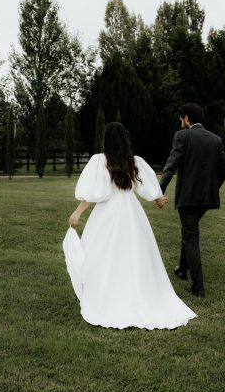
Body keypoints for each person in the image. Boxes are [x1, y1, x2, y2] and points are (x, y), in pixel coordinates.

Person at [64, 122, 197, 330]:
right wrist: (158, 198)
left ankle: (107, 293)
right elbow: (146, 186)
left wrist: (77, 212)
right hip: (131, 212)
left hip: (107, 213)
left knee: (103, 253)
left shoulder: (101, 161)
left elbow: (96, 193)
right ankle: (135, 290)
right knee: (133, 251)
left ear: (106, 141)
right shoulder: (133, 162)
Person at [159, 103, 225, 298]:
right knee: (188, 230)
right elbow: (224, 170)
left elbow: (170, 166)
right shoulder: (216, 139)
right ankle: (182, 269)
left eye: (181, 118)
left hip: (188, 197)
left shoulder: (182, 136)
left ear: (187, 118)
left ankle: (198, 287)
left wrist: (159, 190)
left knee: (190, 236)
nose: (180, 122)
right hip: (206, 198)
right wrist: (212, 190)